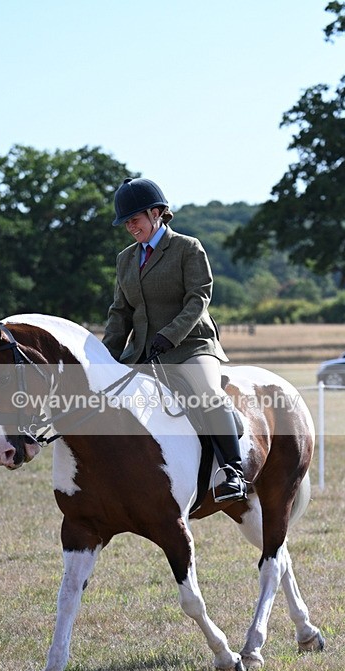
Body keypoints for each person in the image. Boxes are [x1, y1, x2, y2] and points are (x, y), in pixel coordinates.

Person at [102, 177, 246, 502]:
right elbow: (120, 312)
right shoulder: (126, 259)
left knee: (207, 394)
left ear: (156, 213)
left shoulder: (187, 247)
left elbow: (199, 298)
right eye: (126, 222)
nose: (130, 227)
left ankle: (233, 473)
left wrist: (171, 334)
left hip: (191, 345)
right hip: (143, 352)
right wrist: (105, 356)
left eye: (134, 219)